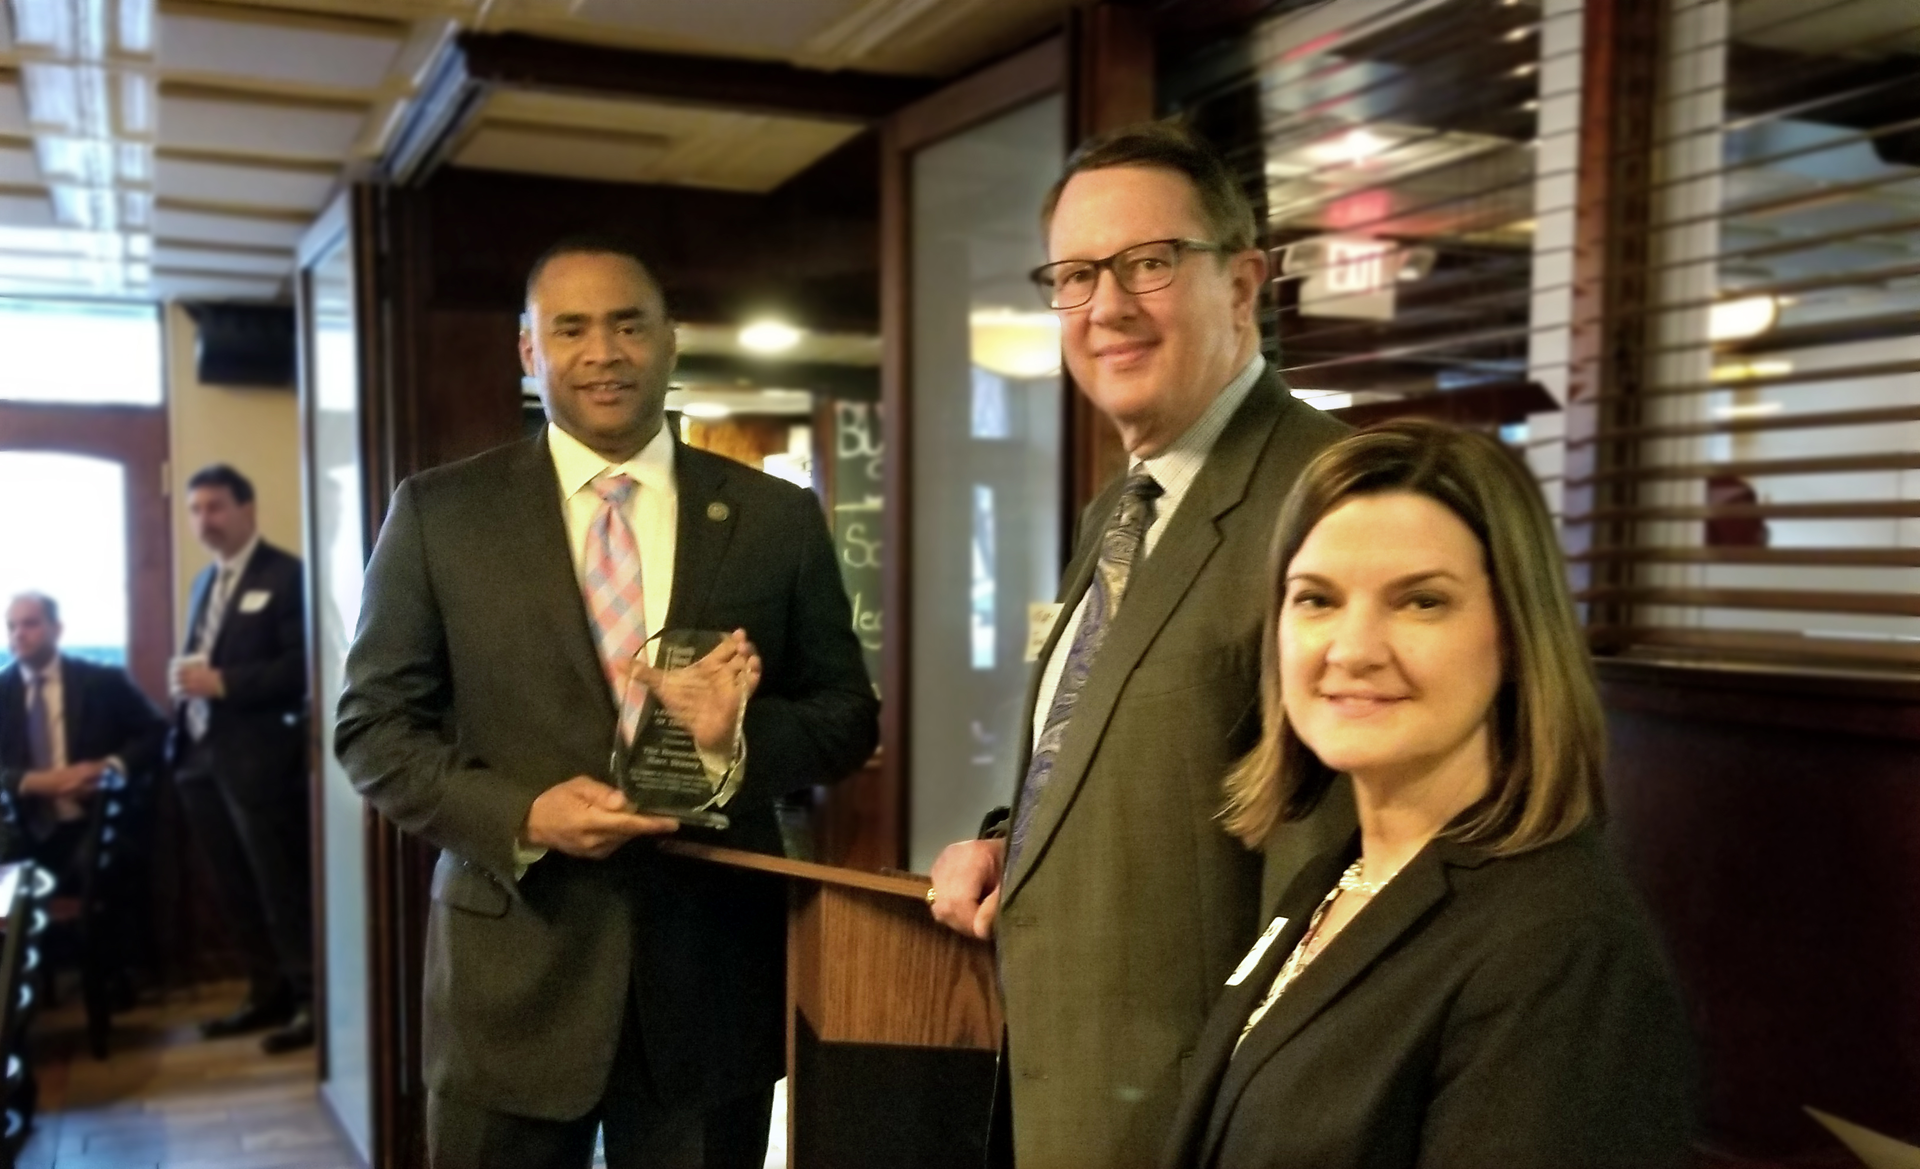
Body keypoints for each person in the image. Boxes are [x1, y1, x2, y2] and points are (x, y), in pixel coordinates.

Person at [335, 235, 879, 1169]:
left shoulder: (774, 516)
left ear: (671, 341)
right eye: (571, 328)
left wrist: (737, 741)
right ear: (528, 351)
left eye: (630, 324)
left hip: (709, 982)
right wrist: (524, 813)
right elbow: (373, 730)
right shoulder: (440, 514)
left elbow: (844, 714)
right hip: (512, 982)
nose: (604, 351)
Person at [926, 120, 1352, 1168]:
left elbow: (1330, 890)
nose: (1106, 306)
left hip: (1191, 1122)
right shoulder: (1122, 507)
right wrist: (1004, 836)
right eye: (1074, 274)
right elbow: (1117, 749)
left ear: (1244, 283)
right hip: (1062, 1092)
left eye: (1149, 263)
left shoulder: (1335, 498)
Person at [1159, 421, 1697, 1169]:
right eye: (1316, 599)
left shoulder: (1561, 949)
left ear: (1514, 636)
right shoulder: (1337, 877)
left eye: (1420, 602)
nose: (1353, 649)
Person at [167, 464, 314, 1054]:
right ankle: (265, 993)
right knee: (234, 888)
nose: (205, 520)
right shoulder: (205, 581)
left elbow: (301, 666)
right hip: (199, 757)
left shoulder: (285, 576)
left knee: (279, 886)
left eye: (216, 507)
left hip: (260, 762)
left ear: (247, 510)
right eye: (196, 509)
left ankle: (309, 1001)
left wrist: (221, 682)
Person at [1, 592, 164, 880]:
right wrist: (30, 782)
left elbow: (157, 732)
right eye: (11, 626)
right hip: (22, 826)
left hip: (94, 820)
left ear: (57, 629)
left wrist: (108, 768)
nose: (18, 634)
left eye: (30, 624)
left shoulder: (102, 681)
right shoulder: (3, 690)